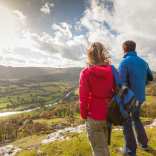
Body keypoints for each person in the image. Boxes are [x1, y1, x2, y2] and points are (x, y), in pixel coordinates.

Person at [79, 42, 118, 156]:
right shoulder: (113, 70)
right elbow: (117, 91)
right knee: (104, 144)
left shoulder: (85, 73)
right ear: (103, 53)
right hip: (110, 114)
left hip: (93, 116)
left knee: (98, 149)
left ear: (89, 54)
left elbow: (84, 99)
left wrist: (83, 115)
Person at [118, 40, 153, 156]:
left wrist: (119, 101)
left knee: (126, 123)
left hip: (129, 99)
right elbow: (151, 77)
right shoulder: (144, 62)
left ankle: (130, 151)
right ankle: (144, 145)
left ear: (124, 50)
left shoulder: (124, 63)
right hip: (141, 98)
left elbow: (120, 85)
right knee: (137, 120)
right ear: (134, 48)